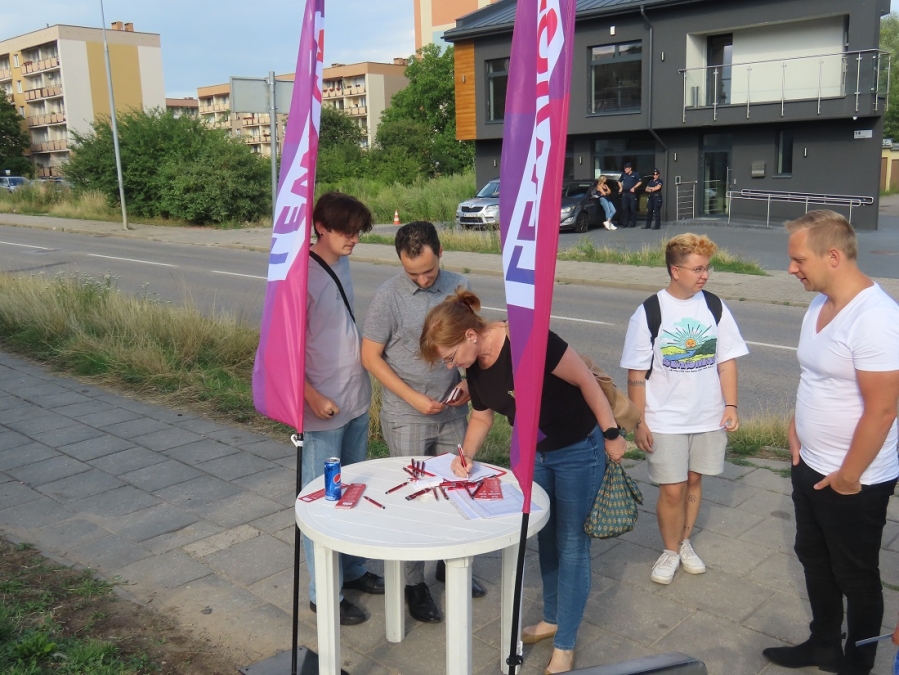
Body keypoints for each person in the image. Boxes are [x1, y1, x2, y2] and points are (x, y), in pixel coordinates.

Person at [419, 289, 627, 675]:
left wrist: (612, 433)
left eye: (449, 356)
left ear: (469, 335)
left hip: (578, 448)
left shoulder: (527, 338)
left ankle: (565, 645)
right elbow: (482, 416)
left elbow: (586, 382)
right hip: (534, 455)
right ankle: (552, 618)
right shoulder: (474, 365)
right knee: (545, 538)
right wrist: (465, 456)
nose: (450, 365)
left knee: (572, 545)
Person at [761, 210, 899, 675]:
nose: (791, 269)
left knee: (855, 575)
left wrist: (848, 477)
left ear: (833, 256)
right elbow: (815, 374)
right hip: (809, 464)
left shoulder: (877, 318)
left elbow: (883, 410)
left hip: (854, 479)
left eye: (799, 259)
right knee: (814, 559)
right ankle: (823, 645)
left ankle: (857, 664)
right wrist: (795, 425)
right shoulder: (819, 304)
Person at [361, 221, 486, 624]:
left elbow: (471, 340)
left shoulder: (459, 285)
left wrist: (468, 382)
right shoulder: (388, 297)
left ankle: (452, 565)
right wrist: (413, 397)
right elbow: (370, 357)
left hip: (452, 412)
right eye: (412, 272)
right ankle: (414, 584)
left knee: (456, 491)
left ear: (441, 252)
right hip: (406, 415)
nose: (421, 279)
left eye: (428, 271)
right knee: (413, 498)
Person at [620, 233, 748, 586]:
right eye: (697, 269)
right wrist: (638, 422)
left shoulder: (715, 307)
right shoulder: (650, 312)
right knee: (672, 489)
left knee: (694, 480)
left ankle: (684, 541)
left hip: (708, 415)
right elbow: (636, 375)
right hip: (664, 419)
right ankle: (670, 550)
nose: (705, 275)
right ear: (675, 271)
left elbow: (727, 362)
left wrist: (731, 405)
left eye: (707, 268)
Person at [301, 191, 384, 626]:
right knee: (322, 500)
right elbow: (282, 349)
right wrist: (311, 396)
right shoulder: (299, 275)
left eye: (358, 232)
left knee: (353, 491)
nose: (354, 239)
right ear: (321, 227)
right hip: (322, 407)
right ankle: (323, 595)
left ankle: (352, 570)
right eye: (346, 231)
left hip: (354, 396)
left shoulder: (343, 263)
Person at [619, 162, 642, 228]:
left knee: (632, 208)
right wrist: (621, 188)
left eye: (626, 169)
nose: (625, 170)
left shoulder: (635, 174)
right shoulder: (623, 174)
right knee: (624, 209)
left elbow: (640, 182)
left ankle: (633, 223)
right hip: (625, 194)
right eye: (624, 169)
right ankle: (625, 223)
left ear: (630, 168)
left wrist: (634, 187)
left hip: (632, 194)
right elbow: (619, 181)